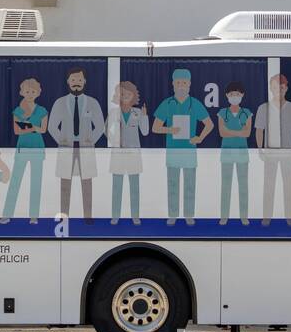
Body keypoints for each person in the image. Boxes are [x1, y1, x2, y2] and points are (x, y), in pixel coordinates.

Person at [152, 68, 213, 225]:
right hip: (173, 151)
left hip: (189, 151)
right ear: (173, 84)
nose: (181, 85)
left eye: (184, 83)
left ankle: (189, 215)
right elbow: (155, 128)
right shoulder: (167, 104)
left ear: (189, 84)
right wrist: (170, 129)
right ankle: (173, 214)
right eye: (178, 82)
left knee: (189, 184)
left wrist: (199, 138)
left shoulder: (195, 104)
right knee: (172, 184)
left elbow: (209, 124)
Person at [48, 67, 105, 221]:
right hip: (66, 147)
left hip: (85, 148)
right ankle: (63, 216)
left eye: (79, 80)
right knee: (65, 183)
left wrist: (90, 139)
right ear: (68, 82)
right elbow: (52, 126)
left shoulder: (92, 102)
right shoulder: (60, 102)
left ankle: (88, 216)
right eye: (73, 80)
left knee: (87, 183)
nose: (76, 83)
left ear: (85, 81)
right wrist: (62, 139)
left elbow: (100, 126)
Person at [253, 73, 291, 225]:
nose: (278, 90)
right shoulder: (263, 108)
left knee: (288, 186)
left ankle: (289, 217)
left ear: (286, 88)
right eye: (275, 87)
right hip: (270, 152)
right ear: (270, 88)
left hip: (287, 152)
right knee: (268, 186)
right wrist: (261, 149)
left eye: (281, 87)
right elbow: (259, 130)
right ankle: (266, 217)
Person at [0, 78, 47, 224]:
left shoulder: (42, 111)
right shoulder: (18, 111)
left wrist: (29, 127)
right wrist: (33, 128)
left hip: (38, 149)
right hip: (22, 148)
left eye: (33, 91)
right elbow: (16, 131)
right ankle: (7, 215)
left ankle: (34, 216)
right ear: (22, 92)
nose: (30, 94)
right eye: (27, 91)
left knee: (36, 182)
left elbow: (43, 130)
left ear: (38, 93)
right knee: (15, 181)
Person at [107, 80, 149, 224]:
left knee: (134, 187)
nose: (125, 96)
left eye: (128, 93)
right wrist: (114, 140)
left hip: (133, 154)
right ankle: (115, 216)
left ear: (133, 96)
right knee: (116, 187)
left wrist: (144, 117)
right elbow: (105, 130)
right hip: (118, 154)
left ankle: (135, 216)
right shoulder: (114, 112)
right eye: (122, 93)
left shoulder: (137, 113)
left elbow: (145, 132)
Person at [215, 81, 252, 225]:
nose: (234, 97)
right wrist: (238, 132)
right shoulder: (222, 113)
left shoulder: (247, 113)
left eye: (237, 94)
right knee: (226, 185)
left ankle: (244, 216)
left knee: (243, 185)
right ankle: (224, 216)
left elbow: (247, 133)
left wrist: (231, 132)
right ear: (226, 96)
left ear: (242, 95)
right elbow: (222, 132)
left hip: (242, 153)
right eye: (231, 94)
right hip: (227, 153)